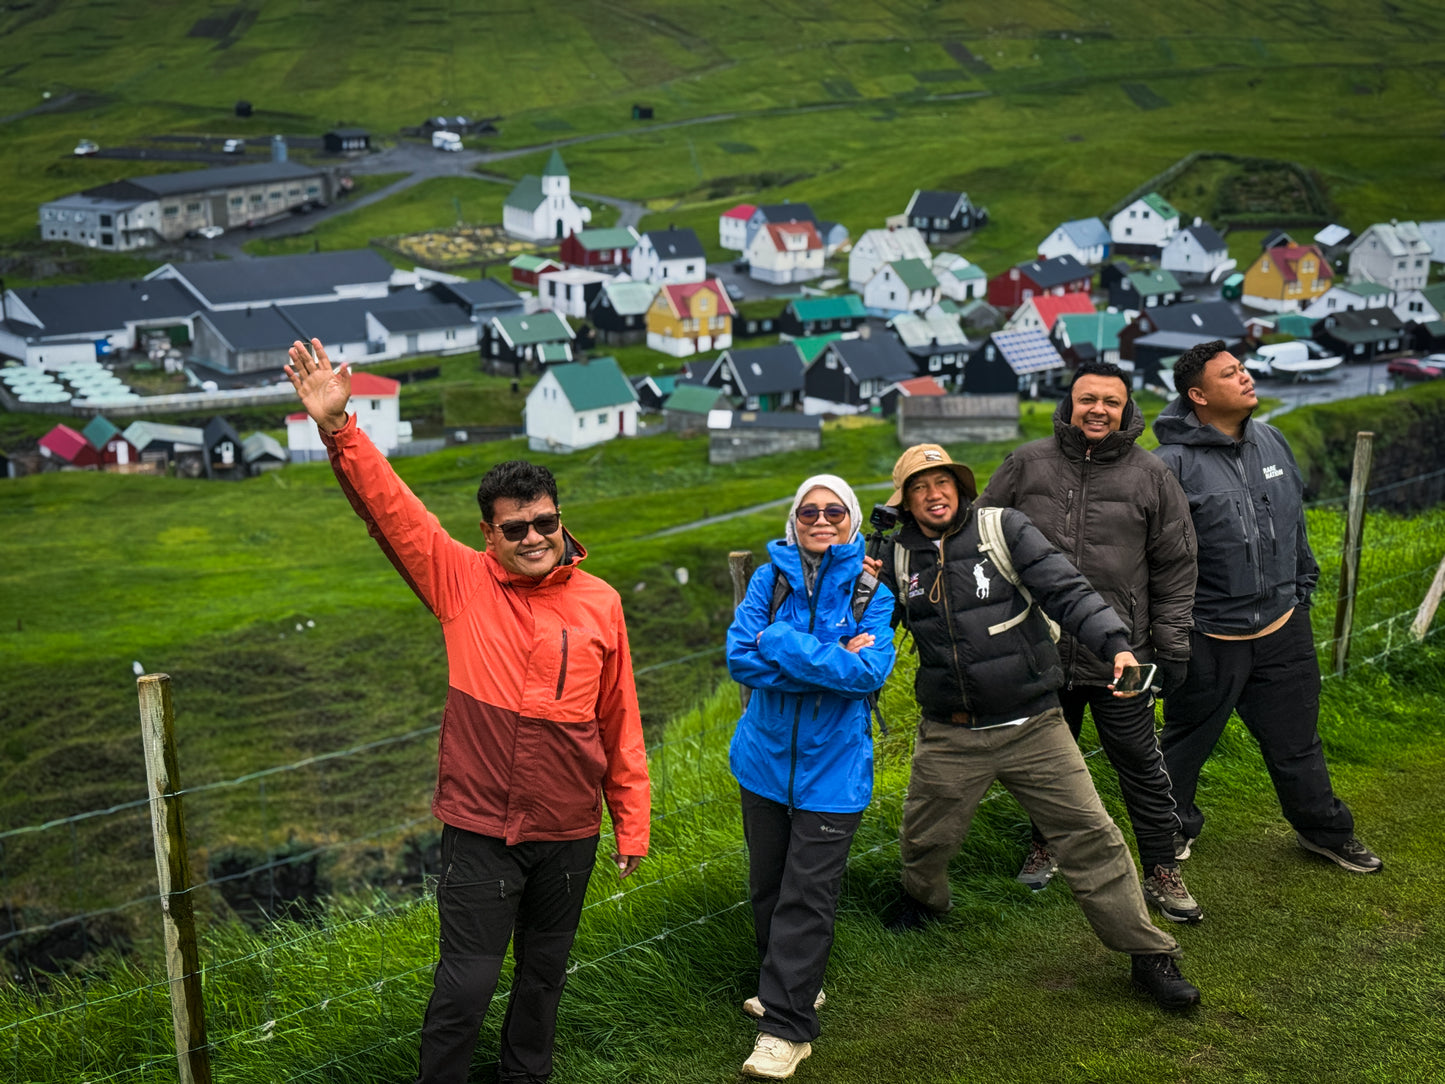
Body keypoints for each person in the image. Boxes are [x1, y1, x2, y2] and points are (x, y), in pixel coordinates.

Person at [284, 339, 651, 1084]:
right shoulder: (458, 581)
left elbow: (619, 717)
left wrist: (631, 819)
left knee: (543, 979)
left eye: (544, 522)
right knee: (466, 988)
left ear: (559, 519)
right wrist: (338, 427)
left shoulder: (600, 601)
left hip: (569, 832)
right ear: (489, 535)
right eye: (514, 529)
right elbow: (392, 510)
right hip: (481, 831)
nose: (533, 538)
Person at [871, 444, 1200, 1011]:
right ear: (903, 501)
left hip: (1034, 726)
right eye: (920, 487)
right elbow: (859, 628)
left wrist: (1116, 646)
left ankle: (1149, 956)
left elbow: (1066, 589)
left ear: (961, 486)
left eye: (943, 481)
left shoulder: (1004, 528)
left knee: (1093, 839)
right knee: (924, 842)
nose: (934, 493)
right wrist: (863, 571)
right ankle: (925, 904)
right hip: (951, 732)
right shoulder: (897, 559)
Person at [977, 362, 1202, 923]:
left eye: (1110, 401)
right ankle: (1047, 842)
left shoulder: (1152, 477)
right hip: (1040, 652)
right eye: (1087, 399)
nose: (1098, 410)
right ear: (1069, 404)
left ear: (1127, 409)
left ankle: (1161, 868)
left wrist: (1170, 648)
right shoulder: (1025, 465)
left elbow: (1176, 569)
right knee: (1047, 763)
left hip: (1123, 655)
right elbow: (979, 537)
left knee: (1140, 762)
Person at [1153, 340, 1381, 874]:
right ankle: (1169, 828)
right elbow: (1156, 558)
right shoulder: (1168, 466)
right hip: (1209, 635)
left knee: (1297, 742)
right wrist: (1176, 630)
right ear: (1198, 395)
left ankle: (1323, 830)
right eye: (1230, 374)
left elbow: (1294, 522)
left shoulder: (1273, 440)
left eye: (1242, 369)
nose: (1246, 377)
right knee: (1184, 746)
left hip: (1282, 626)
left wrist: (1302, 589)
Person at [726, 475, 896, 1080]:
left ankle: (787, 1029)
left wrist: (780, 642)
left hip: (835, 770)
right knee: (769, 887)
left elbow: (869, 675)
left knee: (807, 896)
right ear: (793, 519)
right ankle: (792, 985)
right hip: (764, 762)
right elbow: (739, 658)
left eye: (833, 511)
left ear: (850, 519)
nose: (820, 519)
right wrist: (829, 659)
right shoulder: (768, 580)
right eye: (808, 511)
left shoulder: (872, 588)